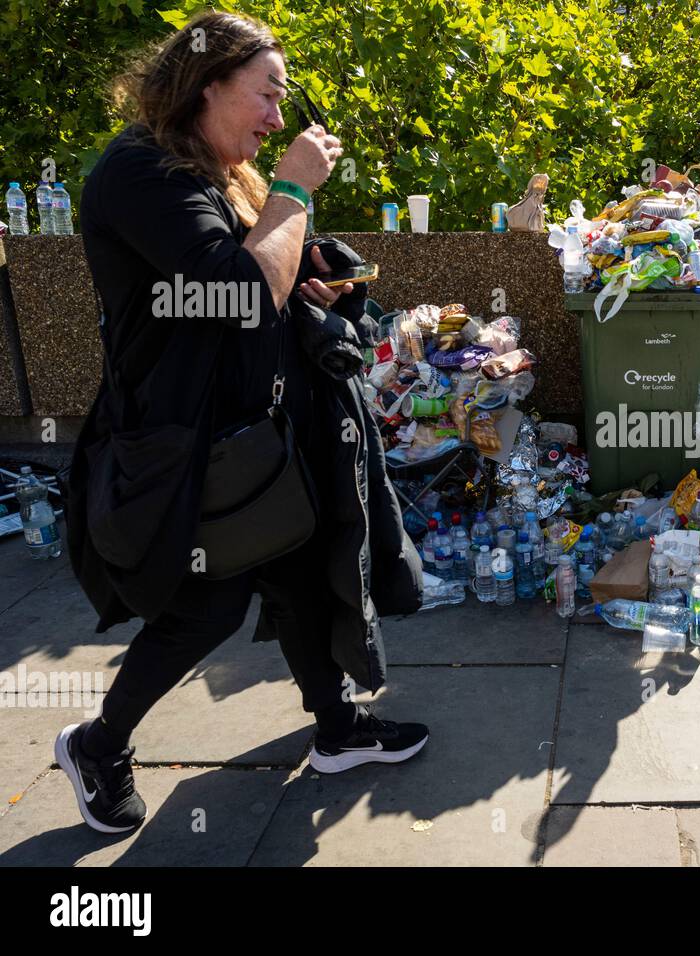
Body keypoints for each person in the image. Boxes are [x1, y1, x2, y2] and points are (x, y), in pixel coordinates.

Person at [58, 11, 427, 835]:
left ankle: (336, 733)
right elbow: (234, 290)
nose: (275, 117)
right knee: (208, 603)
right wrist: (294, 188)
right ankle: (97, 743)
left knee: (299, 565)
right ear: (208, 84)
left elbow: (266, 276)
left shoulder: (216, 169)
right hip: (185, 440)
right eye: (266, 95)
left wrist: (321, 279)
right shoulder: (139, 171)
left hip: (252, 428)